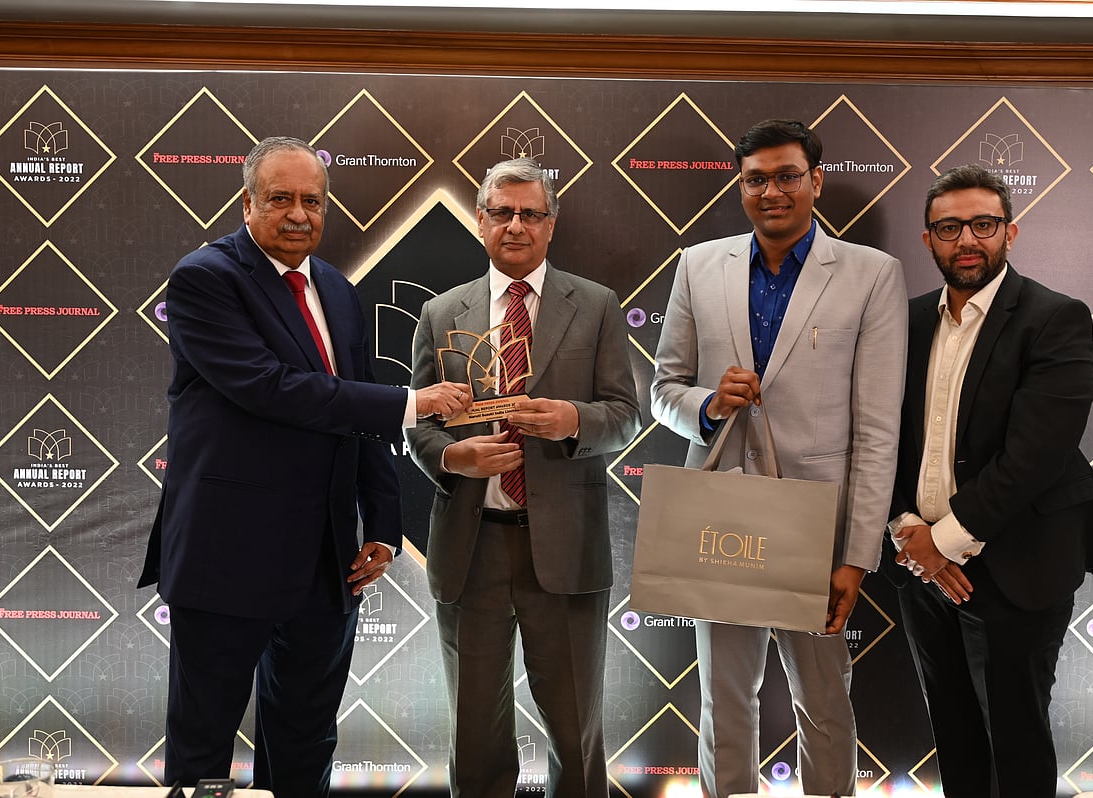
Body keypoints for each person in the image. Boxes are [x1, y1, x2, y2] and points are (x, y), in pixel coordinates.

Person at [137, 136, 471, 798]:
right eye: (281, 199)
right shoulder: (205, 278)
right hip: (225, 557)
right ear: (248, 202)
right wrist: (411, 401)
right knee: (204, 747)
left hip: (325, 562)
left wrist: (380, 518)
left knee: (306, 741)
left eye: (312, 201)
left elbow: (356, 414)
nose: (298, 215)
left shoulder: (339, 292)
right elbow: (270, 388)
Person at [651, 119, 907, 798]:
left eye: (787, 175)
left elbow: (878, 431)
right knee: (724, 704)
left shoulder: (871, 275)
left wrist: (856, 556)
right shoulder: (698, 265)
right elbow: (662, 392)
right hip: (722, 516)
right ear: (741, 186)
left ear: (815, 180)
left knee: (824, 703)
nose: (772, 191)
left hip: (816, 527)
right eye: (756, 178)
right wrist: (708, 405)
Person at [883, 163, 1093, 798]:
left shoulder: (1054, 317)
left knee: (1015, 741)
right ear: (928, 238)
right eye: (949, 227)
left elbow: (1036, 456)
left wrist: (946, 540)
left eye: (983, 224)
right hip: (921, 565)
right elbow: (884, 436)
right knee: (955, 734)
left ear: (1010, 233)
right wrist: (911, 532)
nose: (968, 239)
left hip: (1018, 561)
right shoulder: (902, 321)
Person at [406, 157, 640, 798]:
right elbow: (417, 423)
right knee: (474, 734)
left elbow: (625, 417)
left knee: (575, 732)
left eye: (530, 213)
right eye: (502, 212)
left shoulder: (595, 305)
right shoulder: (441, 312)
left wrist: (571, 419)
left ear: (551, 223)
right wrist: (454, 458)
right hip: (470, 544)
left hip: (564, 545)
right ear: (481, 220)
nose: (515, 225)